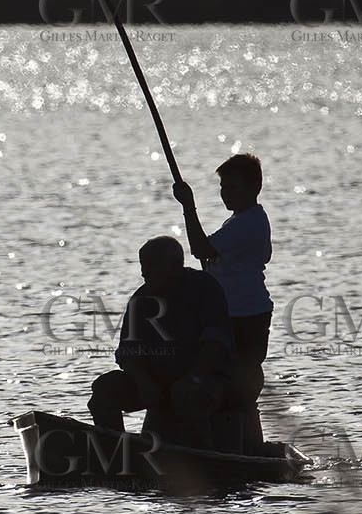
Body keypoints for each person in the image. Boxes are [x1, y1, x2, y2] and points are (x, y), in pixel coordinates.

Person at [87, 235, 234, 449]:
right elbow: (128, 354)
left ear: (175, 266)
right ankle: (116, 452)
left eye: (151, 265)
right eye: (142, 265)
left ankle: (200, 458)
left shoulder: (204, 288)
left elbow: (216, 343)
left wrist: (193, 378)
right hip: (154, 383)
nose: (144, 272)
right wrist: (143, 381)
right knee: (104, 389)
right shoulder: (140, 300)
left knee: (188, 395)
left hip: (203, 380)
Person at [174, 152, 274, 453]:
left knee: (234, 384)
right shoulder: (238, 221)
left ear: (254, 188)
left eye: (233, 188)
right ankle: (242, 444)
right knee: (229, 383)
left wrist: (188, 207)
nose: (225, 194)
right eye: (223, 187)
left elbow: (200, 248)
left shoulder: (249, 222)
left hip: (245, 317)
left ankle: (239, 448)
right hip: (234, 314)